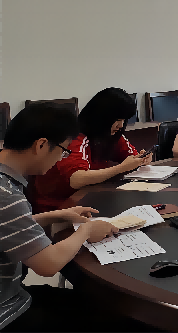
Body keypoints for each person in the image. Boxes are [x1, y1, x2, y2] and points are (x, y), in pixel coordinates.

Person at [0, 104, 146, 332]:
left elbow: (8, 227)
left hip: (11, 293)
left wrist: (56, 215)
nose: (61, 158)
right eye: (63, 150)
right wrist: (86, 231)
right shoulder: (7, 195)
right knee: (112, 315)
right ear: (41, 145)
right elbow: (48, 264)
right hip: (8, 312)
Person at [29, 88, 152, 213]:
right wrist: (121, 168)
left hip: (92, 199)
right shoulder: (74, 137)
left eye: (124, 120)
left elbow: (131, 157)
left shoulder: (112, 134)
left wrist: (141, 159)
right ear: (102, 116)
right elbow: (76, 179)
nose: (121, 125)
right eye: (118, 119)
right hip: (57, 208)